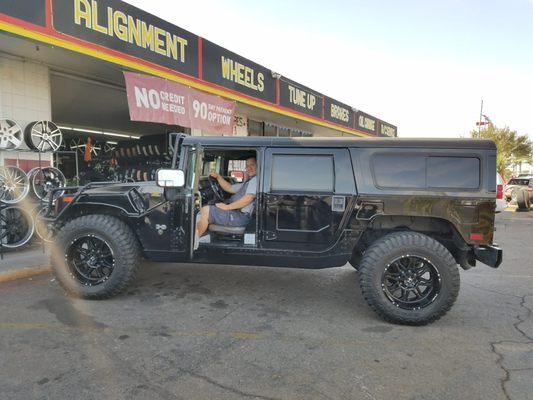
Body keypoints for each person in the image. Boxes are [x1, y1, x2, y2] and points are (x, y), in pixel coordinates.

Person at [195, 157, 257, 246]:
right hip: (238, 213)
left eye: (252, 165)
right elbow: (229, 188)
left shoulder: (255, 180)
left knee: (205, 211)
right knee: (211, 207)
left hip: (241, 216)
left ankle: (193, 243)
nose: (249, 168)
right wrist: (219, 177)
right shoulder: (249, 182)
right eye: (247, 166)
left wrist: (227, 207)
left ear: (258, 166)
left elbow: (248, 198)